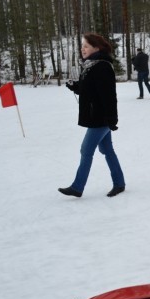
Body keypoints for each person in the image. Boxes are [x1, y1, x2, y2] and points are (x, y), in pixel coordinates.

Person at [59, 33, 125, 198]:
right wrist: (75, 86)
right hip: (97, 116)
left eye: (86, 46)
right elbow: (88, 90)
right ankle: (119, 183)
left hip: (101, 118)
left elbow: (109, 95)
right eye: (82, 46)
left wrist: (112, 119)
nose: (83, 49)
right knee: (107, 150)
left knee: (86, 150)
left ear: (97, 48)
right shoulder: (90, 65)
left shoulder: (102, 66)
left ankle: (77, 187)